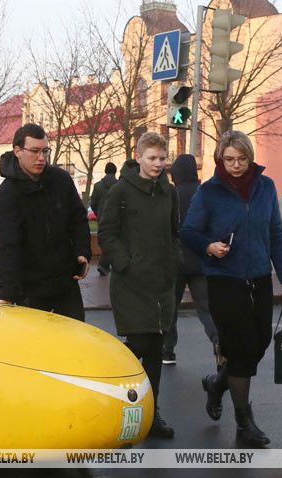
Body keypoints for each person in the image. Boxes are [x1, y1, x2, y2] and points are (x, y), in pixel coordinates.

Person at [180, 130, 282, 447]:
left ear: (250, 157)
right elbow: (188, 231)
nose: (235, 165)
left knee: (259, 343)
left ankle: (218, 382)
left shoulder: (265, 187)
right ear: (221, 159)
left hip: (258, 277)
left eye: (241, 159)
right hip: (223, 280)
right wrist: (209, 246)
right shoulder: (209, 192)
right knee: (241, 347)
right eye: (229, 159)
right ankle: (245, 423)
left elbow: (274, 233)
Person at [97, 132, 182, 438]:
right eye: (152, 158)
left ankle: (152, 413)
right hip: (132, 283)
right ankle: (123, 405)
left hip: (161, 282)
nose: (158, 164)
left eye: (162, 158)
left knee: (157, 348)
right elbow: (106, 232)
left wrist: (174, 261)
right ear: (138, 157)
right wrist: (125, 263)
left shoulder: (168, 192)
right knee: (139, 346)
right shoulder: (122, 190)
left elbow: (175, 232)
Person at [0, 124, 91, 320]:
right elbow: (7, 245)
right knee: (36, 348)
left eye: (45, 151)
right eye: (35, 151)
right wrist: (6, 295)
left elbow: (78, 219)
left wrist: (82, 251)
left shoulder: (60, 180)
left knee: (75, 343)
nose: (41, 158)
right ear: (17, 151)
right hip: (30, 290)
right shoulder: (8, 193)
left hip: (65, 282)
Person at [164, 154, 219, 367]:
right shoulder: (205, 192)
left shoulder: (171, 194)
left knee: (171, 309)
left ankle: (168, 351)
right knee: (206, 308)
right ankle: (218, 341)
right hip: (201, 259)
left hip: (176, 262)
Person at [90, 162, 118, 276]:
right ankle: (104, 264)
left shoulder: (98, 186)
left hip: (102, 217)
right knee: (114, 240)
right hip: (116, 217)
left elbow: (93, 203)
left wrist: (99, 213)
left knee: (105, 240)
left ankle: (104, 265)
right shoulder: (119, 185)